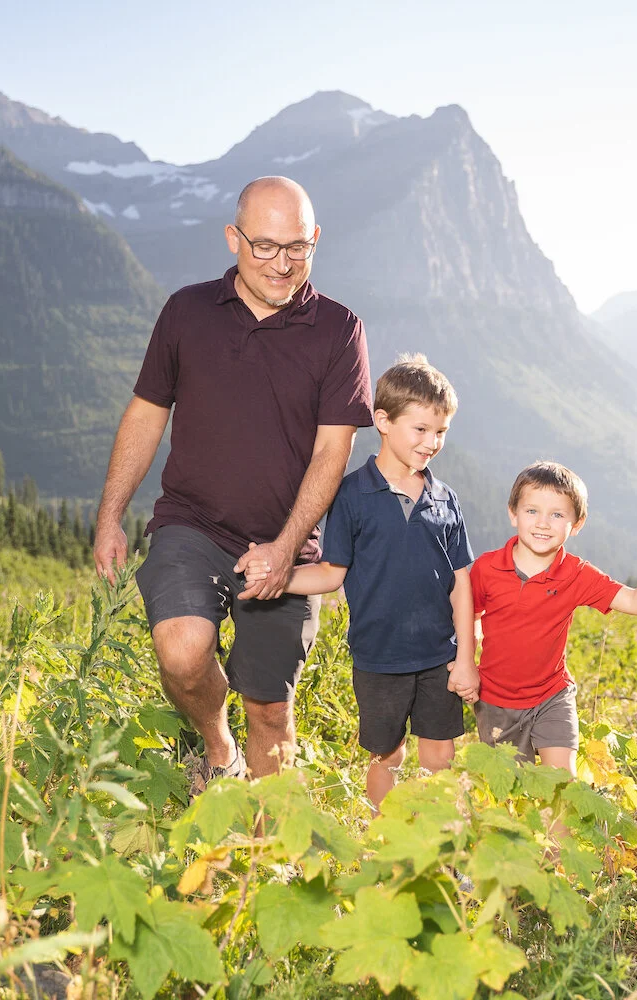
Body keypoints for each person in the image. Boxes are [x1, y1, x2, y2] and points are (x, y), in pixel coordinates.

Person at [93, 176, 373, 793]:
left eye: (296, 248)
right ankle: (220, 751)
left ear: (316, 240)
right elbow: (145, 413)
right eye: (264, 247)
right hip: (191, 524)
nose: (281, 264)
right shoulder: (187, 312)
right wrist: (110, 514)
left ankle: (266, 854)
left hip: (288, 543)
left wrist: (285, 545)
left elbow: (334, 451)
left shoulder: (339, 331)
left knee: (270, 709)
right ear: (232, 239)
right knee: (182, 652)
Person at [244, 356, 477, 811]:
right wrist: (278, 575)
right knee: (386, 756)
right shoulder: (352, 494)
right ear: (383, 421)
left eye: (441, 432)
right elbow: (331, 574)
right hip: (378, 658)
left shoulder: (445, 500)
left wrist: (465, 657)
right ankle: (384, 842)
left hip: (439, 657)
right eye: (422, 429)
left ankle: (445, 849)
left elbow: (461, 584)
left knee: (442, 756)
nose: (432, 442)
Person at [472, 461, 637, 774]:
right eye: (532, 511)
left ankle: (560, 825)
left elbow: (636, 601)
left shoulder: (576, 574)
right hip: (495, 701)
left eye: (557, 514)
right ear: (512, 513)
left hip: (551, 695)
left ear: (577, 523)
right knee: (509, 792)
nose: (543, 523)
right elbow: (469, 615)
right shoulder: (486, 568)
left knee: (561, 786)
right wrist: (466, 662)